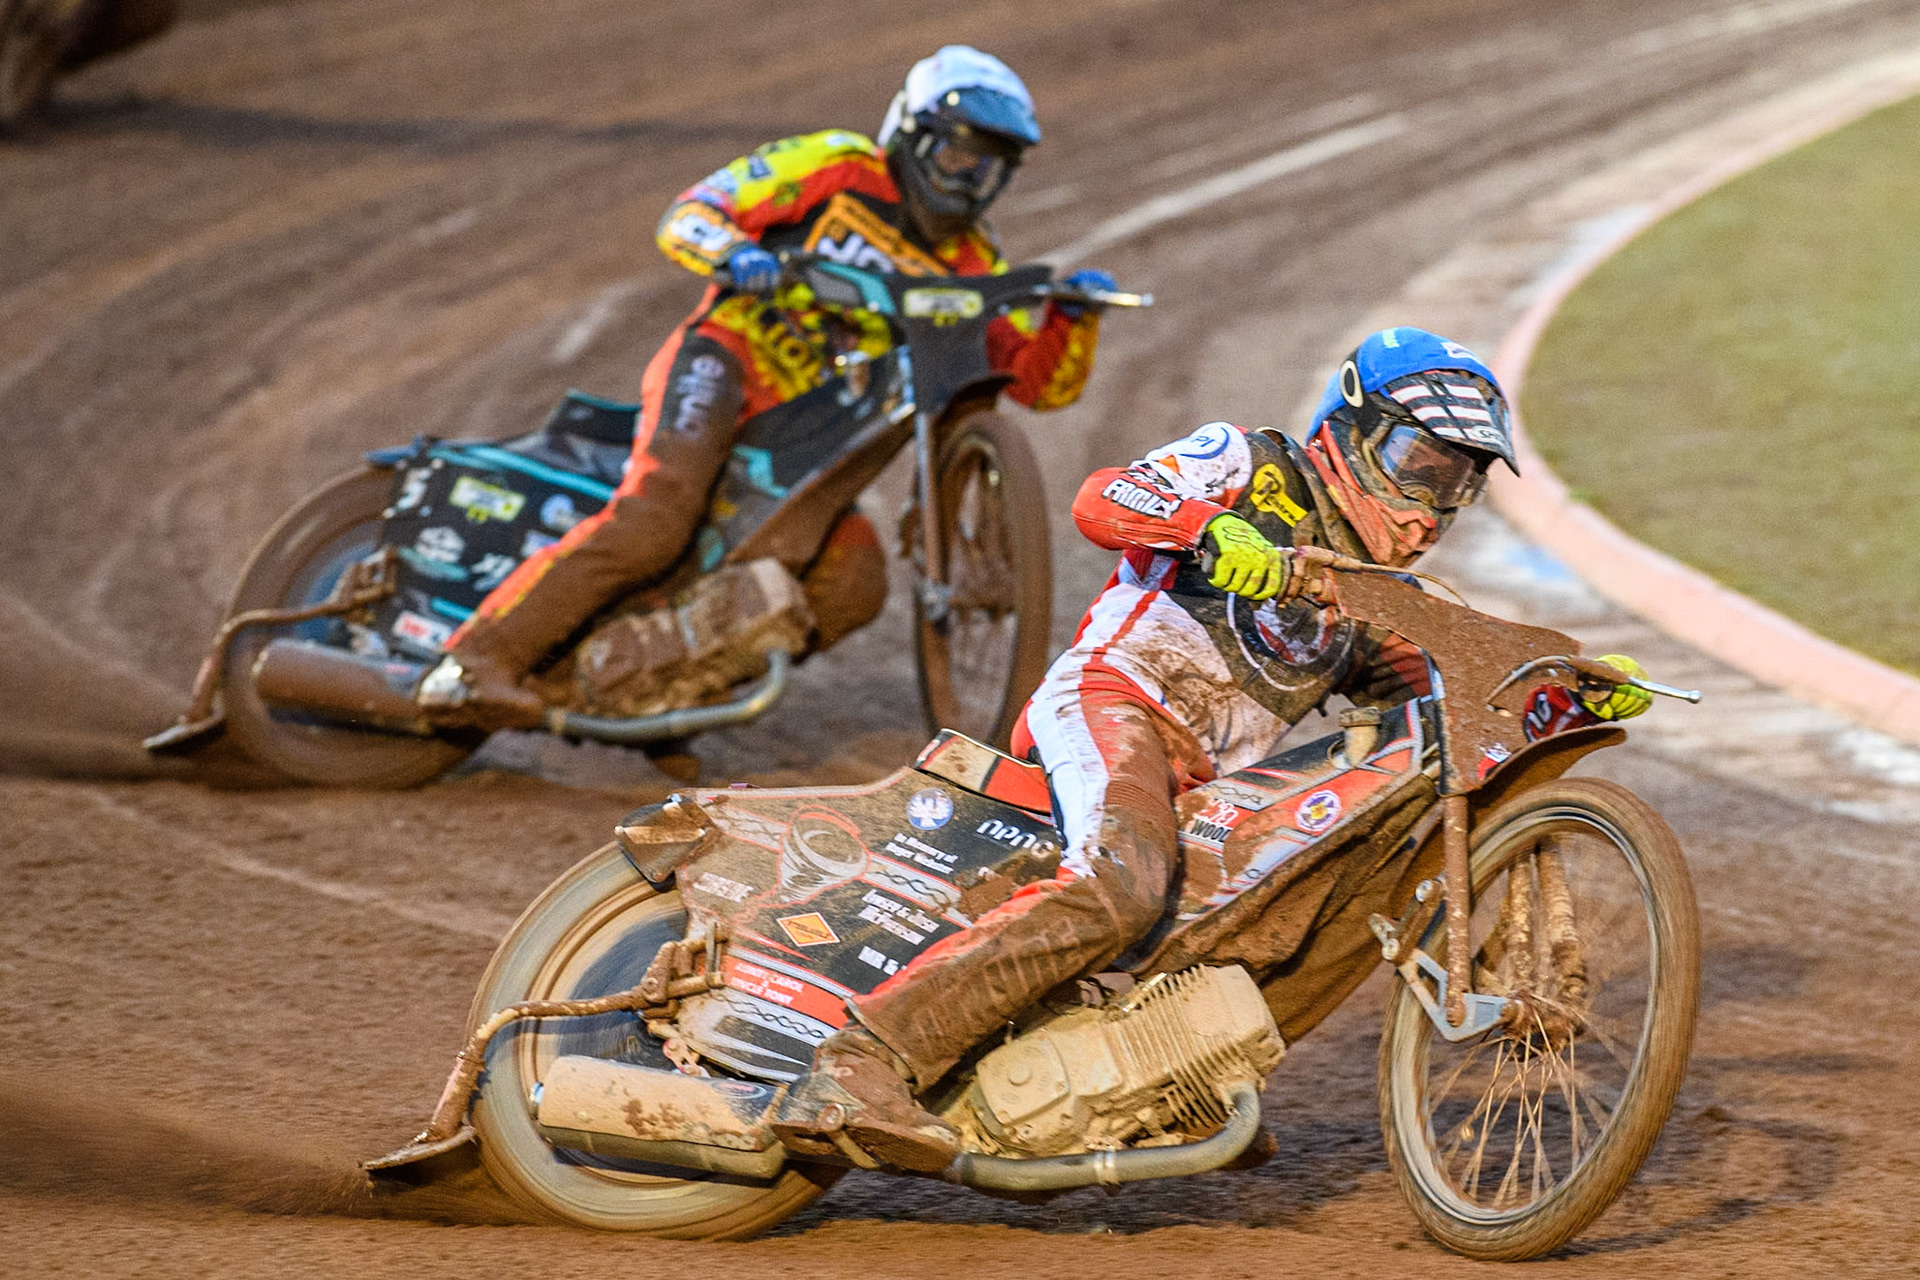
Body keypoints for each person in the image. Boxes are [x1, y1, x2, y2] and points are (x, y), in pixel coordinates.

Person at [771, 327, 1655, 1171]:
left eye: (1459, 485)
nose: (1433, 507)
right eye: (1420, 467)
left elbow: (1448, 680)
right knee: (1120, 884)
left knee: (1314, 897)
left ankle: (1176, 1081)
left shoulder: (1383, 593)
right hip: (1114, 706)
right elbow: (1101, 497)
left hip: (1211, 788)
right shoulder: (1252, 461)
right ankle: (858, 1064)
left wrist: (1564, 679)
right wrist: (1209, 527)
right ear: (1352, 432)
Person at [418, 46, 1116, 727]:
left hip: (814, 441)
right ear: (911, 136)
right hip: (727, 364)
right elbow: (693, 213)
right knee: (656, 520)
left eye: (993, 168)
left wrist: (1073, 321)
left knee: (853, 584)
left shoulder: (973, 262)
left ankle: (644, 702)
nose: (970, 180)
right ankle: (473, 660)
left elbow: (1034, 385)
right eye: (959, 155)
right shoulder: (838, 166)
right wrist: (736, 254)